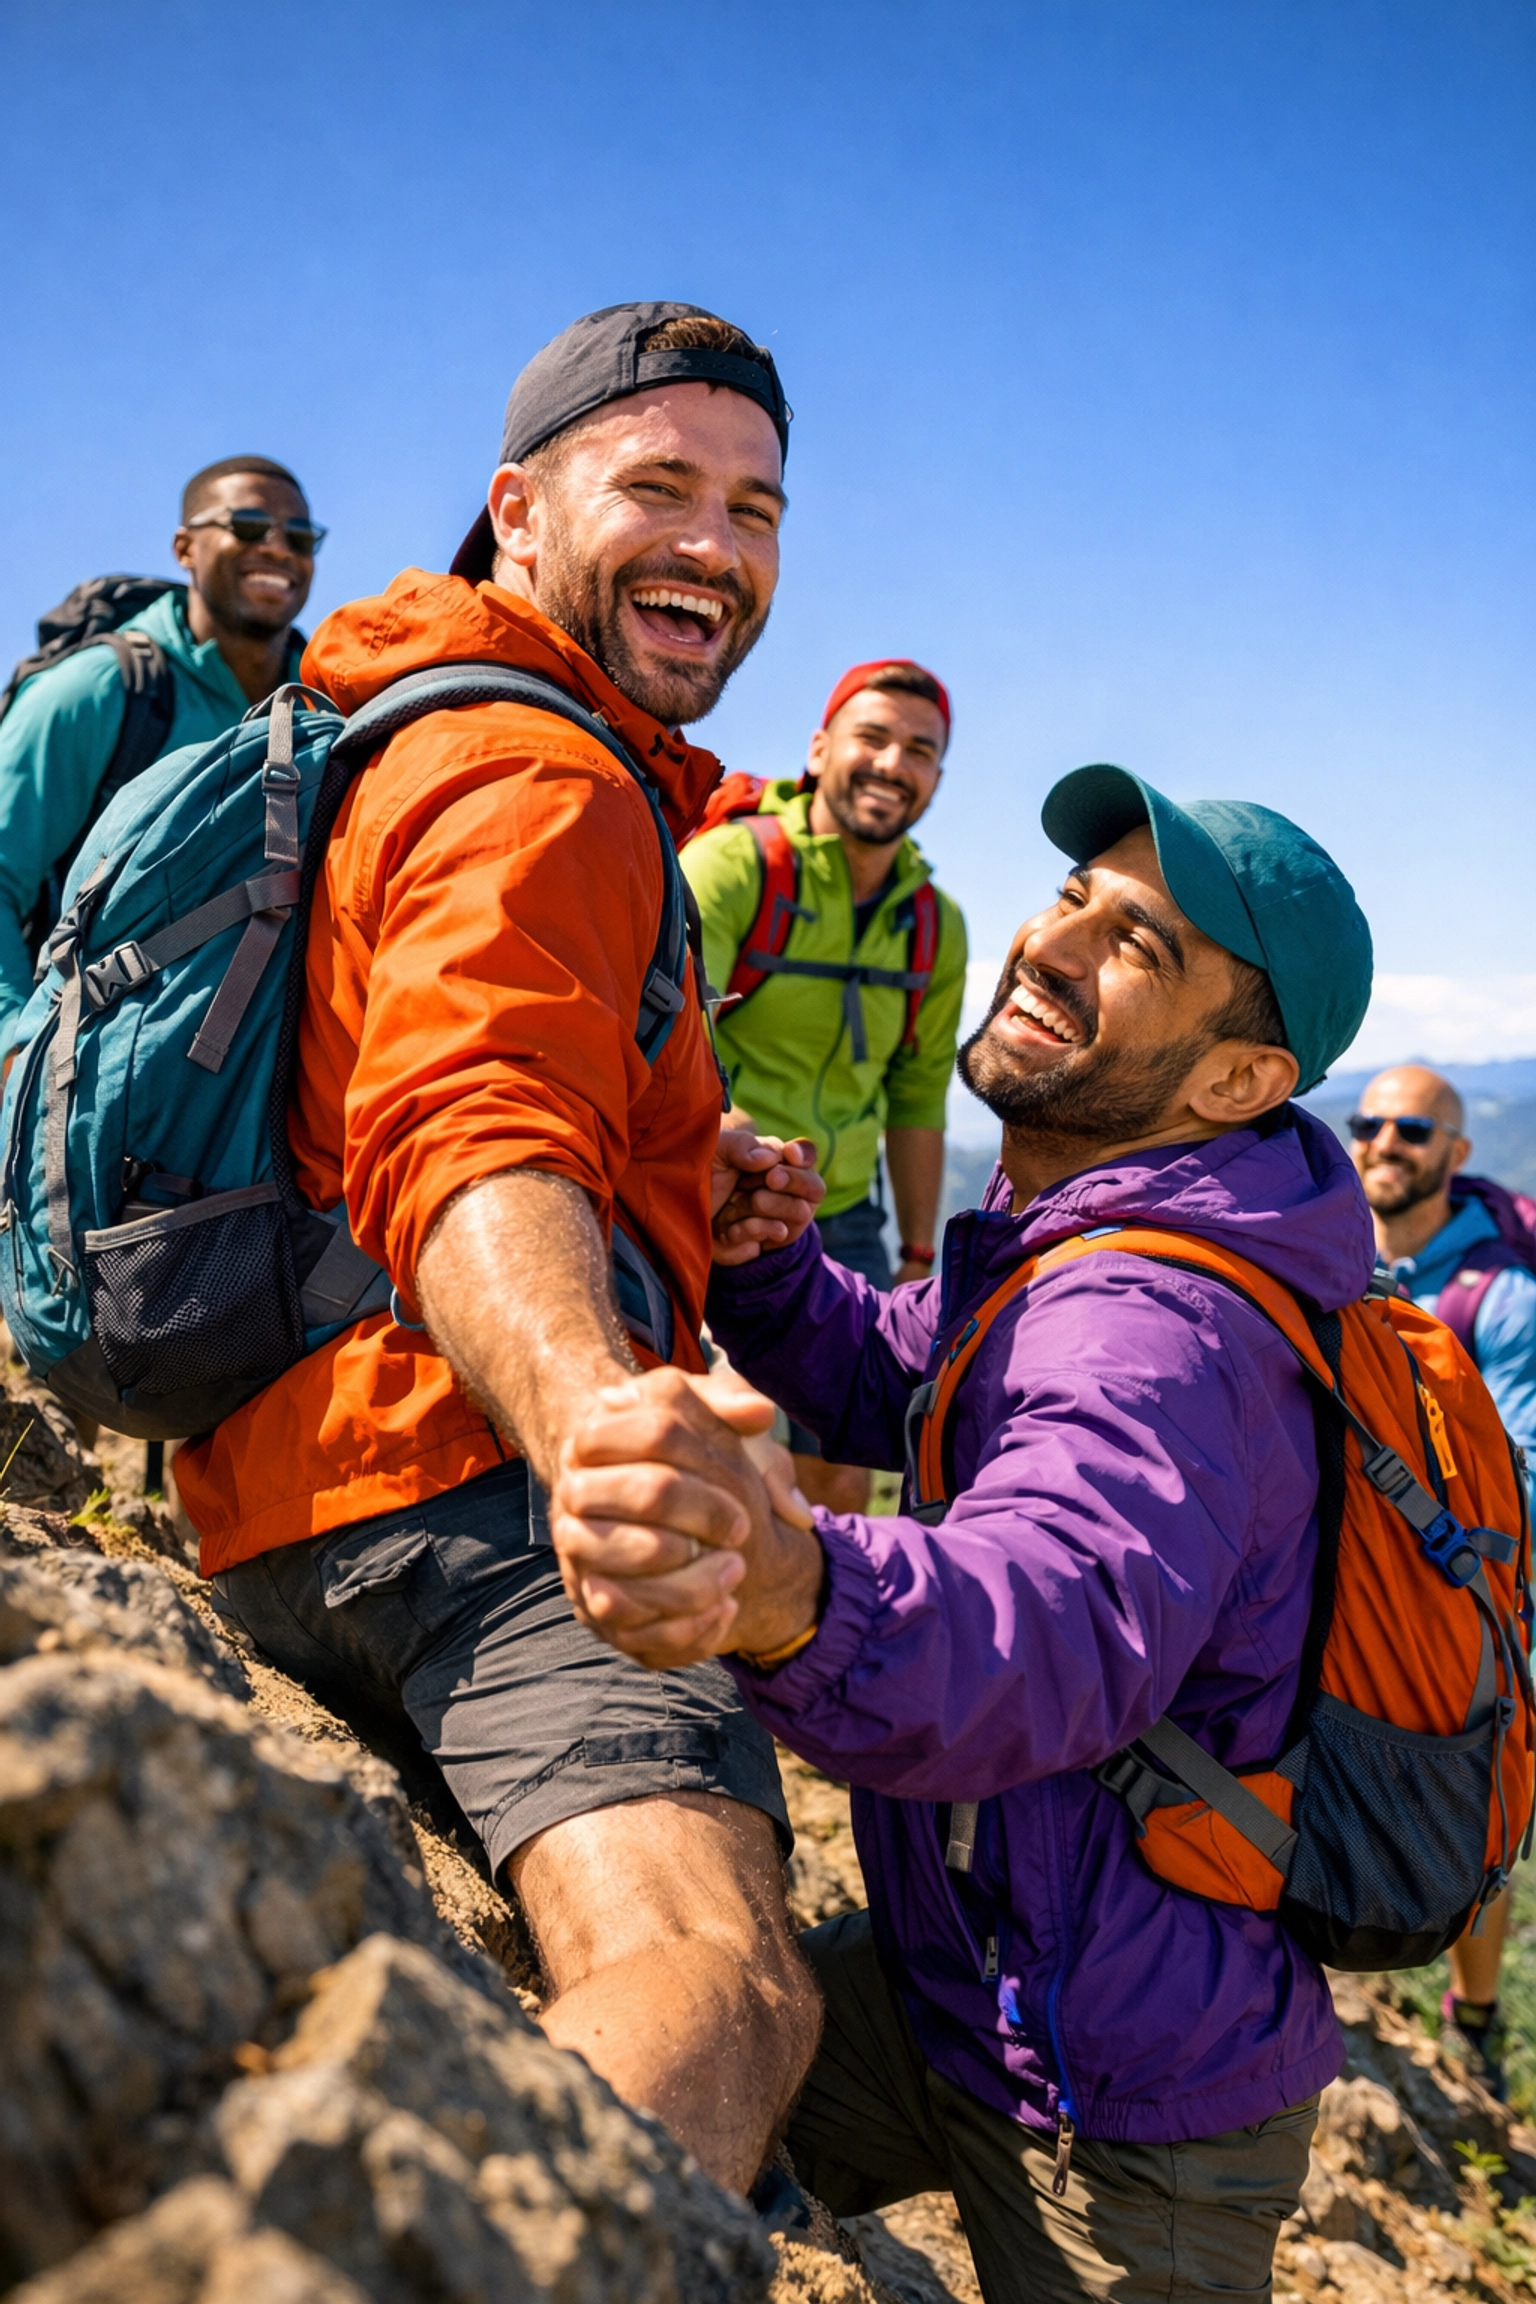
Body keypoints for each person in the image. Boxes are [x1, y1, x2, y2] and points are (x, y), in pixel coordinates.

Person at [549, 765, 1381, 2302]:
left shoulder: (1158, 1324)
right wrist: (774, 1272)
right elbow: (917, 1370)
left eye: (1142, 946)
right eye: (1077, 896)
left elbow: (1048, 1619)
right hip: (970, 1985)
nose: (1056, 943)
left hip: (1127, 2108)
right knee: (719, 2059)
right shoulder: (1102, 1225)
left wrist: (793, 1576)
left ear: (1238, 1082)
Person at [174, 303, 825, 2197]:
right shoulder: (544, 776)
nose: (716, 541)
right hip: (463, 1488)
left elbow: (448, 1048)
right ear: (518, 513)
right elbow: (469, 1124)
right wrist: (596, 1420)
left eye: (758, 506)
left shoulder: (415, 714)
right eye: (660, 487)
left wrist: (701, 1154)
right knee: (723, 1974)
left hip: (269, 1483)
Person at [682, 659, 967, 1511]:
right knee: (720, 1446)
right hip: (717, 1191)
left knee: (847, 1463)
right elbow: (673, 1045)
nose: (893, 763)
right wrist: (742, 1160)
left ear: (937, 778)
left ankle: (817, 1636)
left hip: (844, 1215)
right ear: (820, 747)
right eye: (872, 737)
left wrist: (918, 1261)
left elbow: (918, 1097)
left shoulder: (933, 925)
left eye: (920, 750)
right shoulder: (733, 867)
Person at [1348, 1062, 1536, 2098]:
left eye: (1413, 1129)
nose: (1385, 1143)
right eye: (1370, 1122)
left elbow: (1531, 1480)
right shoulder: (1321, 1261)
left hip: (1469, 1602)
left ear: (1456, 1156)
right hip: (1356, 1592)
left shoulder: (1502, 1302)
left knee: (1479, 1806)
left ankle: (1474, 2018)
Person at [0, 456, 316, 1047]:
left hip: (261, 1091)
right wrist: (13, 1050)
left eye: (299, 536)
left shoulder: (326, 709)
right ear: (184, 547)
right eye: (248, 525)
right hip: (86, 1082)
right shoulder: (98, 690)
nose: (277, 548)